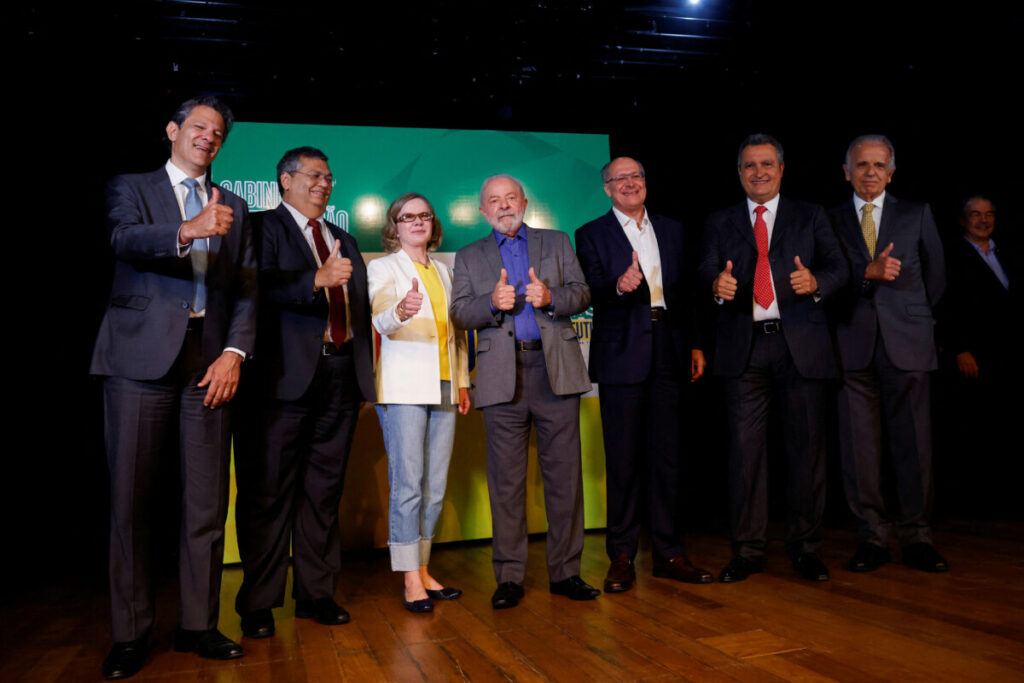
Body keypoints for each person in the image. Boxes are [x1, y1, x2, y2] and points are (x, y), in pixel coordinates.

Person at [91, 96, 256, 679]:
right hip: (138, 362)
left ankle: (198, 624)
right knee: (131, 503)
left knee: (207, 506)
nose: (208, 137)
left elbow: (244, 289)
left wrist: (235, 352)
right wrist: (187, 230)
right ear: (173, 131)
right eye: (198, 127)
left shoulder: (233, 205)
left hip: (208, 366)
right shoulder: (131, 188)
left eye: (217, 132)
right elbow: (122, 241)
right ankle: (131, 634)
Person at [233, 147, 375, 640]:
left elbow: (357, 312)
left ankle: (317, 593)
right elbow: (250, 287)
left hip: (339, 380)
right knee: (266, 493)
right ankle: (259, 602)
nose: (324, 184)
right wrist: (314, 279)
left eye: (330, 177)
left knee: (322, 494)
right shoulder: (258, 228)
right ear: (285, 180)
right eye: (314, 175)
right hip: (277, 384)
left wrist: (362, 379)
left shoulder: (344, 239)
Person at [698, 134, 846, 584]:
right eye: (749, 166)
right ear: (739, 172)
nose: (758, 172)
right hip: (743, 348)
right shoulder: (720, 220)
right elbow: (705, 270)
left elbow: (840, 269)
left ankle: (805, 548)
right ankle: (748, 550)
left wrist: (815, 281)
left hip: (799, 344)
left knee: (807, 452)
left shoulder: (811, 214)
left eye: (766, 164)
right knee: (745, 455)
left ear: (782, 169)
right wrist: (715, 287)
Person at [450, 174, 599, 609]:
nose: (503, 205)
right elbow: (460, 312)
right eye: (493, 201)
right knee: (506, 483)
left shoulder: (556, 241)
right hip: (501, 375)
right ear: (482, 211)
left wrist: (551, 296)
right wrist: (491, 304)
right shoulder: (469, 254)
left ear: (525, 202)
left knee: (564, 479)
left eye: (510, 197)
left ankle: (567, 573)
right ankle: (510, 577)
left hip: (556, 372)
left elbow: (583, 293)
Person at [574, 157, 712, 593]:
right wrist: (619, 285)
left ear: (646, 184)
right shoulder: (591, 233)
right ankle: (621, 556)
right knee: (624, 461)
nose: (630, 184)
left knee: (668, 457)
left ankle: (670, 553)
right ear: (607, 189)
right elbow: (588, 289)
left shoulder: (671, 228)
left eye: (636, 177)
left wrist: (693, 343)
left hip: (669, 350)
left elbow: (685, 292)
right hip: (621, 355)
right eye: (620, 179)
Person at [828, 134, 948, 573]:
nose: (870, 172)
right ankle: (872, 538)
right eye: (861, 165)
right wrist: (866, 274)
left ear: (891, 172)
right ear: (847, 171)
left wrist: (912, 322)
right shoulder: (832, 219)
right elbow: (830, 281)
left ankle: (917, 537)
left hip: (908, 345)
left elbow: (935, 279)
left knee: (914, 446)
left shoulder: (917, 214)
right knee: (859, 450)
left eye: (879, 165)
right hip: (852, 346)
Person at [368, 193, 471, 613]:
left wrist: (463, 382)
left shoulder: (445, 272)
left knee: (434, 488)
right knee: (408, 486)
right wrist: (401, 310)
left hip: (445, 387)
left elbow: (457, 335)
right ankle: (410, 577)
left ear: (432, 224)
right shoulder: (382, 267)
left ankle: (424, 568)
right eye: (406, 217)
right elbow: (378, 318)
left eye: (423, 216)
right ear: (394, 225)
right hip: (403, 389)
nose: (416, 222)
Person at [938, 195, 1018, 517]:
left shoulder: (1006, 252)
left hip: (1006, 354)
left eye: (988, 214)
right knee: (972, 427)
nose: (983, 220)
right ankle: (973, 504)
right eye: (975, 215)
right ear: (962, 219)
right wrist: (958, 347)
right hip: (971, 355)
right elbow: (944, 303)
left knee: (1004, 427)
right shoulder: (950, 254)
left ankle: (1003, 499)